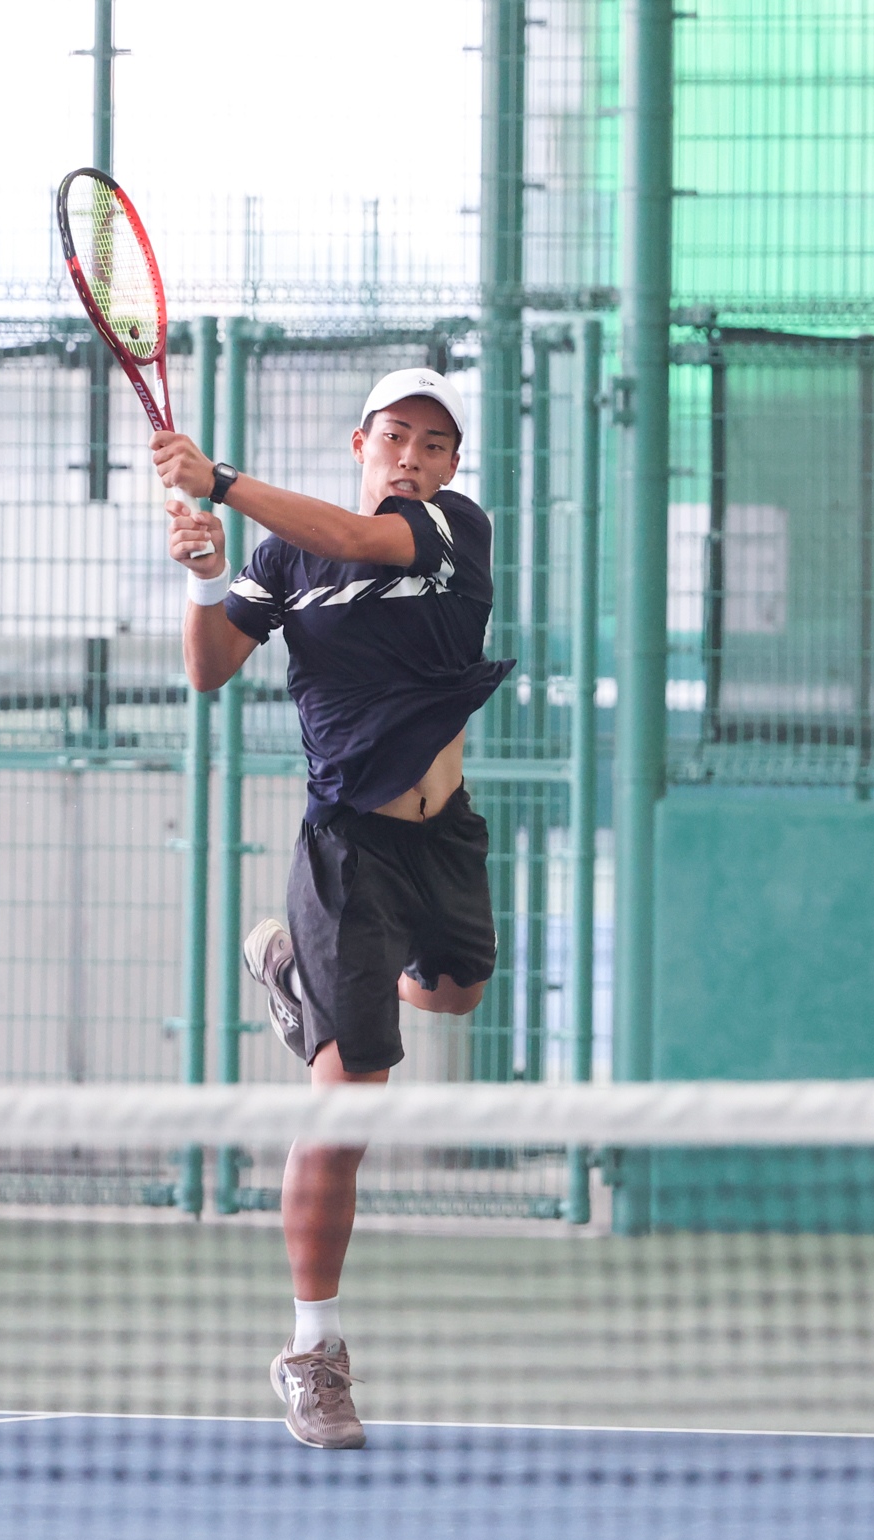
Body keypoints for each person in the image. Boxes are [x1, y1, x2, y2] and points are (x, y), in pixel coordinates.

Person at [152, 368, 511, 1450]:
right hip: (349, 846)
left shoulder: (449, 530)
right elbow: (211, 669)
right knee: (345, 1108)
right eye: (395, 435)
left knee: (457, 993)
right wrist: (207, 580)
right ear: (361, 441)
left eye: (434, 444)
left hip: (443, 834)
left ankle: (299, 984)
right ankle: (314, 1351)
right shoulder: (284, 558)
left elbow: (359, 542)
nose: (412, 456)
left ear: (452, 466)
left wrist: (221, 480)